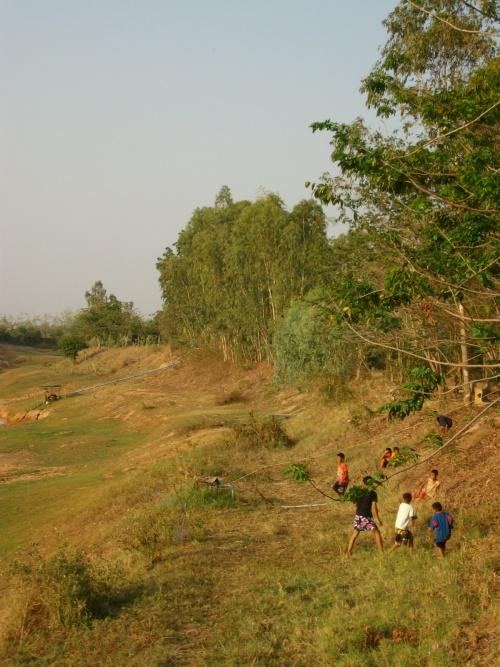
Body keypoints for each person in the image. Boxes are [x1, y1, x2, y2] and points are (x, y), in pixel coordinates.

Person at [347, 476, 384, 555]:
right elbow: (374, 508)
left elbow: (356, 503)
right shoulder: (372, 493)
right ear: (371, 483)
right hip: (365, 516)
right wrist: (377, 519)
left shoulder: (359, 492)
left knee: (355, 533)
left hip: (358, 514)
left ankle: (349, 552)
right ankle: (381, 553)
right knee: (376, 532)